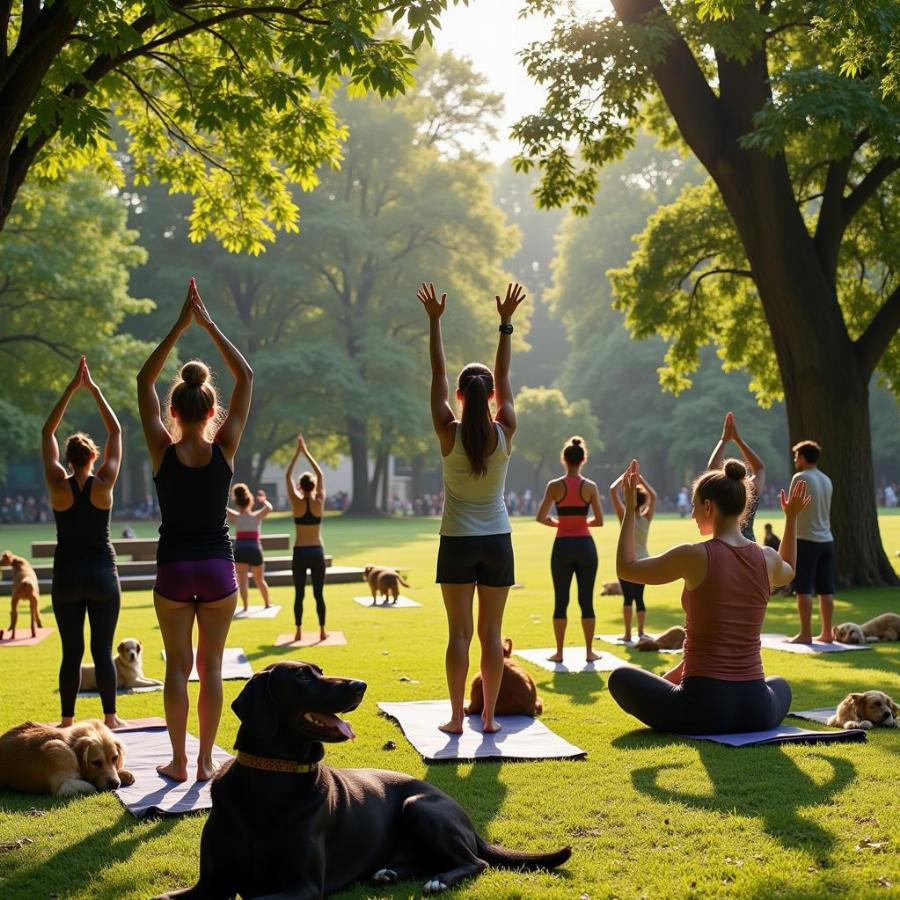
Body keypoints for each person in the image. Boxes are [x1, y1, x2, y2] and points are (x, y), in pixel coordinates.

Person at [137, 278, 252, 782]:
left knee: (177, 669)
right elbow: (245, 376)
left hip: (174, 569)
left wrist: (179, 327)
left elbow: (144, 381)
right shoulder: (224, 447)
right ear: (210, 411)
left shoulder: (162, 450)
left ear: (174, 411)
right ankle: (207, 761)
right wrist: (208, 325)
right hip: (218, 569)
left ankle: (180, 762)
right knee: (211, 669)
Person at [607, 459, 806, 734]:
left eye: (694, 506)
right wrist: (792, 518)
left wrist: (629, 507)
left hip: (702, 709)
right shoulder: (767, 558)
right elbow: (790, 569)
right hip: (756, 709)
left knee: (620, 677)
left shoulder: (694, 555)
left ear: (709, 507)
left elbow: (626, 568)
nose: (692, 515)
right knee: (780, 683)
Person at [418, 281, 525, 735]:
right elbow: (505, 380)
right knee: (490, 634)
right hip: (497, 542)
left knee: (459, 634)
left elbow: (437, 374)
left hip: (457, 541)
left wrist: (435, 321)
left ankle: (454, 718)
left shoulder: (449, 430)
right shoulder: (505, 429)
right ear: (492, 397)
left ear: (461, 396)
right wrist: (504, 325)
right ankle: (487, 719)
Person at [42, 356, 125, 730]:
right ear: (92, 457)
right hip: (103, 574)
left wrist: (69, 391)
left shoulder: (59, 485)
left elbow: (46, 434)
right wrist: (93, 391)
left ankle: (66, 720)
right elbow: (117, 432)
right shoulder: (104, 483)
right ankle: (111, 717)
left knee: (71, 652)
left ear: (67, 459)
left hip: (67, 575)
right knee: (102, 651)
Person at [536, 436, 603, 662]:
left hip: (562, 546)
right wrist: (581, 522)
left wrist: (560, 523)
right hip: (585, 545)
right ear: (583, 459)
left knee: (561, 600)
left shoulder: (555, 486)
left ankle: (559, 652)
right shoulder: (590, 486)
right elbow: (599, 520)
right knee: (586, 600)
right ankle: (589, 652)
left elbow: (541, 517)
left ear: (563, 459)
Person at [788, 440, 835, 644]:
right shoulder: (826, 479)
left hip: (806, 539)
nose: (795, 460)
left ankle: (805, 633)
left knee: (803, 588)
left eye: (797, 456)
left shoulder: (801, 478)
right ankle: (827, 633)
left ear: (804, 457)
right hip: (827, 539)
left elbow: (792, 508)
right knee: (826, 589)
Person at [285, 434, 327, 642]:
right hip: (317, 551)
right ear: (313, 486)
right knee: (318, 593)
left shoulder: (296, 502)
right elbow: (319, 474)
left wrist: (297, 453)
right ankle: (321, 631)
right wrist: (306, 452)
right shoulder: (319, 501)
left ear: (300, 487)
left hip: (300, 551)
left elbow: (287, 477)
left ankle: (299, 631)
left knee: (299, 593)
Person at [609, 470, 657, 642]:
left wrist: (625, 477)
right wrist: (641, 480)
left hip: (626, 559)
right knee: (640, 598)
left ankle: (628, 634)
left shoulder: (624, 517)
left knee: (628, 599)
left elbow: (612, 490)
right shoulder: (647, 518)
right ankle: (641, 632)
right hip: (644, 559)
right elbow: (654, 495)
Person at [707, 411, 766, 542]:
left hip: (724, 544)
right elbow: (760, 468)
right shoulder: (749, 490)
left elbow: (712, 469)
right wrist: (738, 440)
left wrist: (723, 440)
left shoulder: (722, 490)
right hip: (749, 545)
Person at [227, 485, 273, 612]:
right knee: (259, 580)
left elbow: (223, 509)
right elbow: (269, 508)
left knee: (242, 581)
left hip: (240, 549)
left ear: (237, 502)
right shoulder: (256, 516)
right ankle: (267, 603)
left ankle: (246, 606)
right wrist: (263, 500)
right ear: (249, 501)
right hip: (254, 549)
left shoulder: (237, 517)